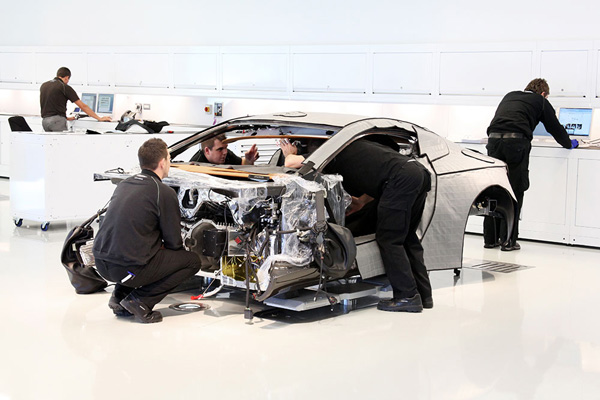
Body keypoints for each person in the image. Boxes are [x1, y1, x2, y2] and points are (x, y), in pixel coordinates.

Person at [279, 137, 433, 313]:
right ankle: (424, 295)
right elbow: (381, 178)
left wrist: (289, 153)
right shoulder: (351, 145)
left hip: (402, 179)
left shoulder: (330, 151)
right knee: (408, 237)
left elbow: (291, 163)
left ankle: (407, 296)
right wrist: (360, 202)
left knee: (390, 239)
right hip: (418, 173)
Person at [93, 138, 201, 323]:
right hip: (127, 270)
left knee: (138, 251)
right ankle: (140, 301)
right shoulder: (163, 192)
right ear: (162, 163)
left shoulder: (125, 184)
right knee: (191, 261)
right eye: (169, 159)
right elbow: (174, 243)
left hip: (102, 265)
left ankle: (119, 297)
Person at [483, 78, 578, 251]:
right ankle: (508, 241)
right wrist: (569, 143)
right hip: (515, 144)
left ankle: (490, 239)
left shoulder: (510, 95)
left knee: (494, 189)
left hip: (493, 142)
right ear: (543, 93)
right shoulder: (540, 101)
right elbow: (554, 127)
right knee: (515, 190)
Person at [40, 67, 112, 132]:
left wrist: (66, 118)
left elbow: (51, 105)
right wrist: (99, 118)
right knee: (61, 142)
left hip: (45, 122)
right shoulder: (64, 87)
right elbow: (83, 106)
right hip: (57, 122)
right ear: (67, 77)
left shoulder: (44, 85)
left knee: (50, 142)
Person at [189, 133, 259, 165]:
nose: (225, 152)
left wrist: (248, 161)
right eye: (220, 149)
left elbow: (242, 163)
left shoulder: (227, 154)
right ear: (207, 151)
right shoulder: (195, 164)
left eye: (226, 147)